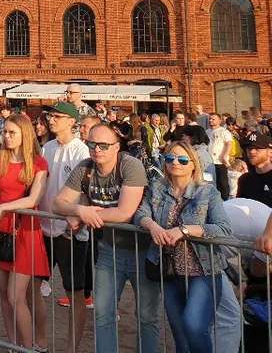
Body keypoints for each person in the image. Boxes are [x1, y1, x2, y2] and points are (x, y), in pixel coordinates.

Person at [52, 123, 157, 353]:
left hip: (142, 250)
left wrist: (85, 214)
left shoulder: (130, 165)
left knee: (147, 316)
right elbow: (58, 203)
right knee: (102, 312)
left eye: (103, 145)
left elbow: (124, 213)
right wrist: (80, 211)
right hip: (109, 249)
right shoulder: (85, 168)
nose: (97, 149)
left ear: (116, 147)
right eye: (92, 144)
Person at [135, 141, 234, 353]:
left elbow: (224, 229)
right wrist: (151, 226)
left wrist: (184, 230)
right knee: (179, 332)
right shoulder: (156, 188)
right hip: (170, 271)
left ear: (193, 164)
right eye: (170, 159)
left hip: (203, 271)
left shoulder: (207, 192)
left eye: (182, 159)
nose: (175, 164)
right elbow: (141, 214)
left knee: (194, 326)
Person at [0, 115, 49, 351]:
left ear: (25, 134)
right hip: (1, 229)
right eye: (5, 132)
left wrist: (2, 207)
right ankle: (13, 345)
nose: (6, 136)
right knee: (3, 294)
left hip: (25, 229)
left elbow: (34, 198)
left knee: (16, 296)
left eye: (12, 132)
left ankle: (28, 346)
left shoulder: (38, 163)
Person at [37, 101, 92, 353]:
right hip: (43, 227)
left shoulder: (81, 152)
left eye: (58, 116)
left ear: (72, 121)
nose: (52, 120)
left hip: (70, 231)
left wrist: (77, 224)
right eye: (50, 116)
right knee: (32, 286)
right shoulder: (46, 147)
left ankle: (71, 348)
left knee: (74, 292)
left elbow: (86, 193)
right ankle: (40, 341)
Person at [237, 131, 272, 207]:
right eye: (249, 148)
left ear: (270, 152)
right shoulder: (245, 180)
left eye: (258, 148)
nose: (252, 152)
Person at [205, 114, 233, 200]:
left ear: (219, 121)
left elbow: (229, 144)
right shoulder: (206, 132)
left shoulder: (224, 132)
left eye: (213, 119)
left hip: (220, 162)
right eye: (210, 119)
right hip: (209, 162)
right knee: (211, 182)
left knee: (223, 183)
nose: (210, 121)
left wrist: (224, 156)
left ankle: (225, 200)